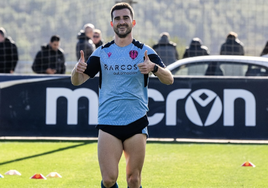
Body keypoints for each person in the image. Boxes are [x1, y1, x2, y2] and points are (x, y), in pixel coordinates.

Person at [71, 2, 173, 188]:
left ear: (133, 22)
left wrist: (154, 68)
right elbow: (77, 81)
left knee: (133, 180)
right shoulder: (102, 53)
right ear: (112, 24)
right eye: (117, 18)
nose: (122, 21)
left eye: (125, 18)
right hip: (109, 122)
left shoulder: (145, 52)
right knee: (109, 179)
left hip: (136, 122)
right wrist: (76, 70)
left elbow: (169, 79)